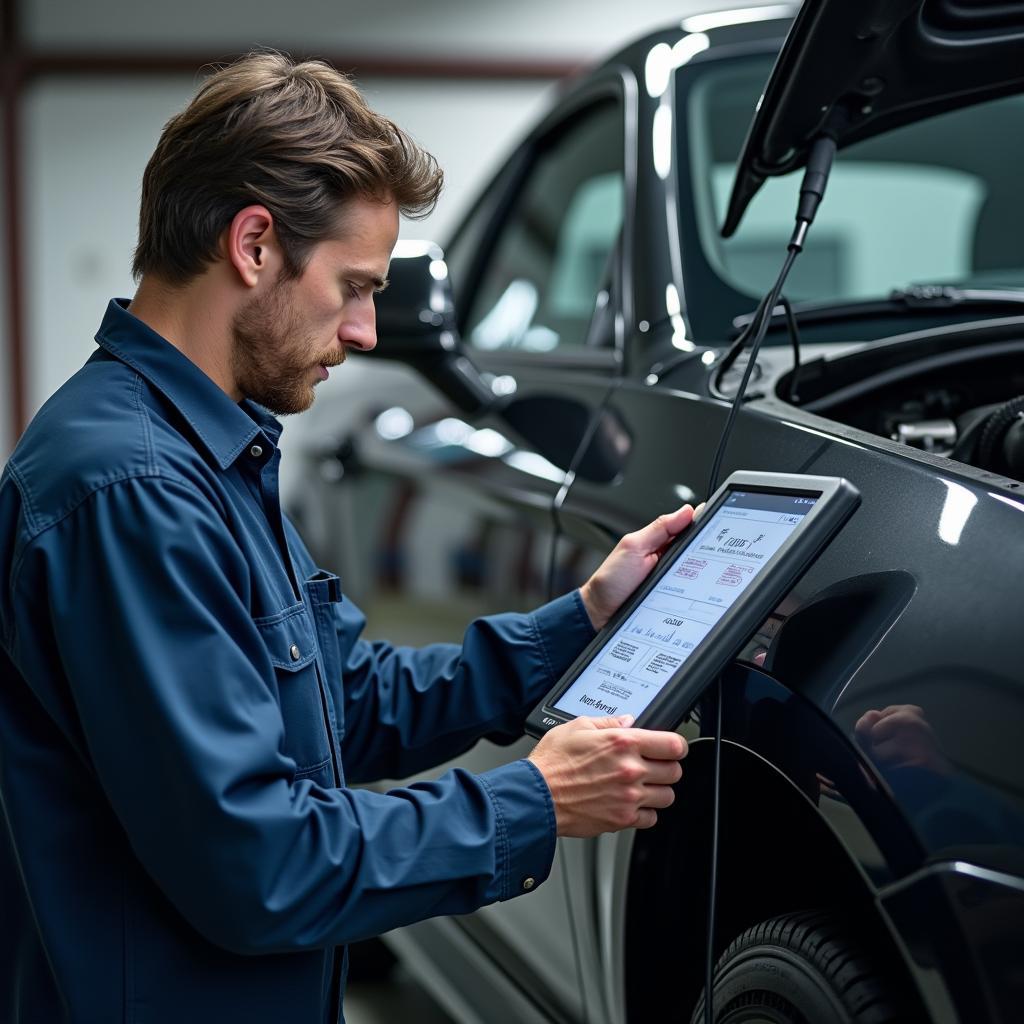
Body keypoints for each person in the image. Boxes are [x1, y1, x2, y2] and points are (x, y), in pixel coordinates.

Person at [0, 53, 692, 1023]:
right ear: (252, 245)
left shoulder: (206, 453)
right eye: (354, 286)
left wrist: (578, 622)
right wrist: (530, 802)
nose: (367, 332)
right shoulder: (133, 489)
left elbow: (344, 703)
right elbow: (259, 862)